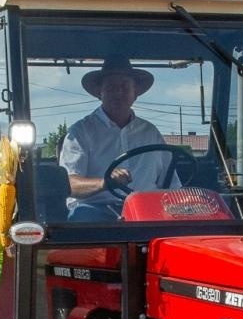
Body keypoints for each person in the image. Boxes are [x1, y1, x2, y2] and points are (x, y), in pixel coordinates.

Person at [59, 56, 171, 221]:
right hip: (96, 213)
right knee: (82, 218)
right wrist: (105, 182)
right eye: (111, 87)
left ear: (135, 93)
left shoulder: (151, 133)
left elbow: (171, 184)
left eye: (125, 87)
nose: (118, 92)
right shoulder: (81, 132)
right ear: (100, 92)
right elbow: (69, 183)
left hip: (147, 214)